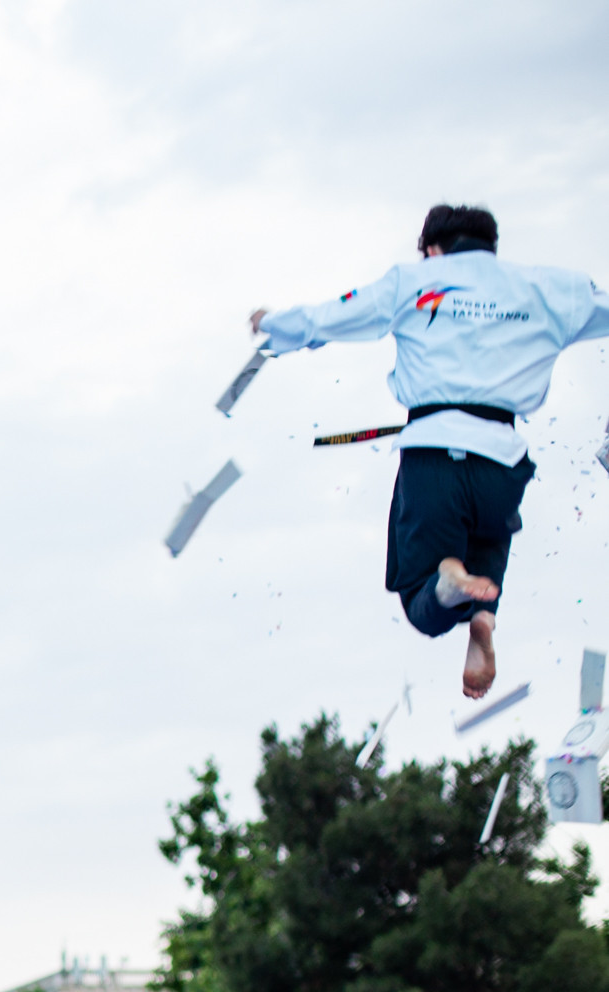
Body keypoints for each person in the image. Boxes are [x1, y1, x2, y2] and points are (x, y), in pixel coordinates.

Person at [250, 203, 609, 699]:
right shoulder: (553, 288)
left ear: (432, 251)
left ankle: (449, 584)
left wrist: (273, 324)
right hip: (503, 460)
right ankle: (483, 617)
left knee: (423, 599)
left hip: (434, 453)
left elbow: (333, 315)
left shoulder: (414, 281)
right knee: (490, 532)